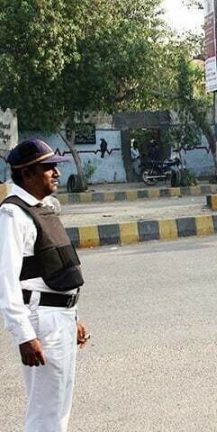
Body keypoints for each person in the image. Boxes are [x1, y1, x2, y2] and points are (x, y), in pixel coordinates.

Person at [0, 139, 89, 432]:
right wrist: (24, 335)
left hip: (59, 317)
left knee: (58, 408)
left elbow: (54, 270)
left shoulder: (40, 209)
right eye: (48, 167)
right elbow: (6, 281)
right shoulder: (13, 215)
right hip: (42, 321)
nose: (56, 173)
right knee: (46, 413)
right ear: (27, 173)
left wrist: (73, 317)